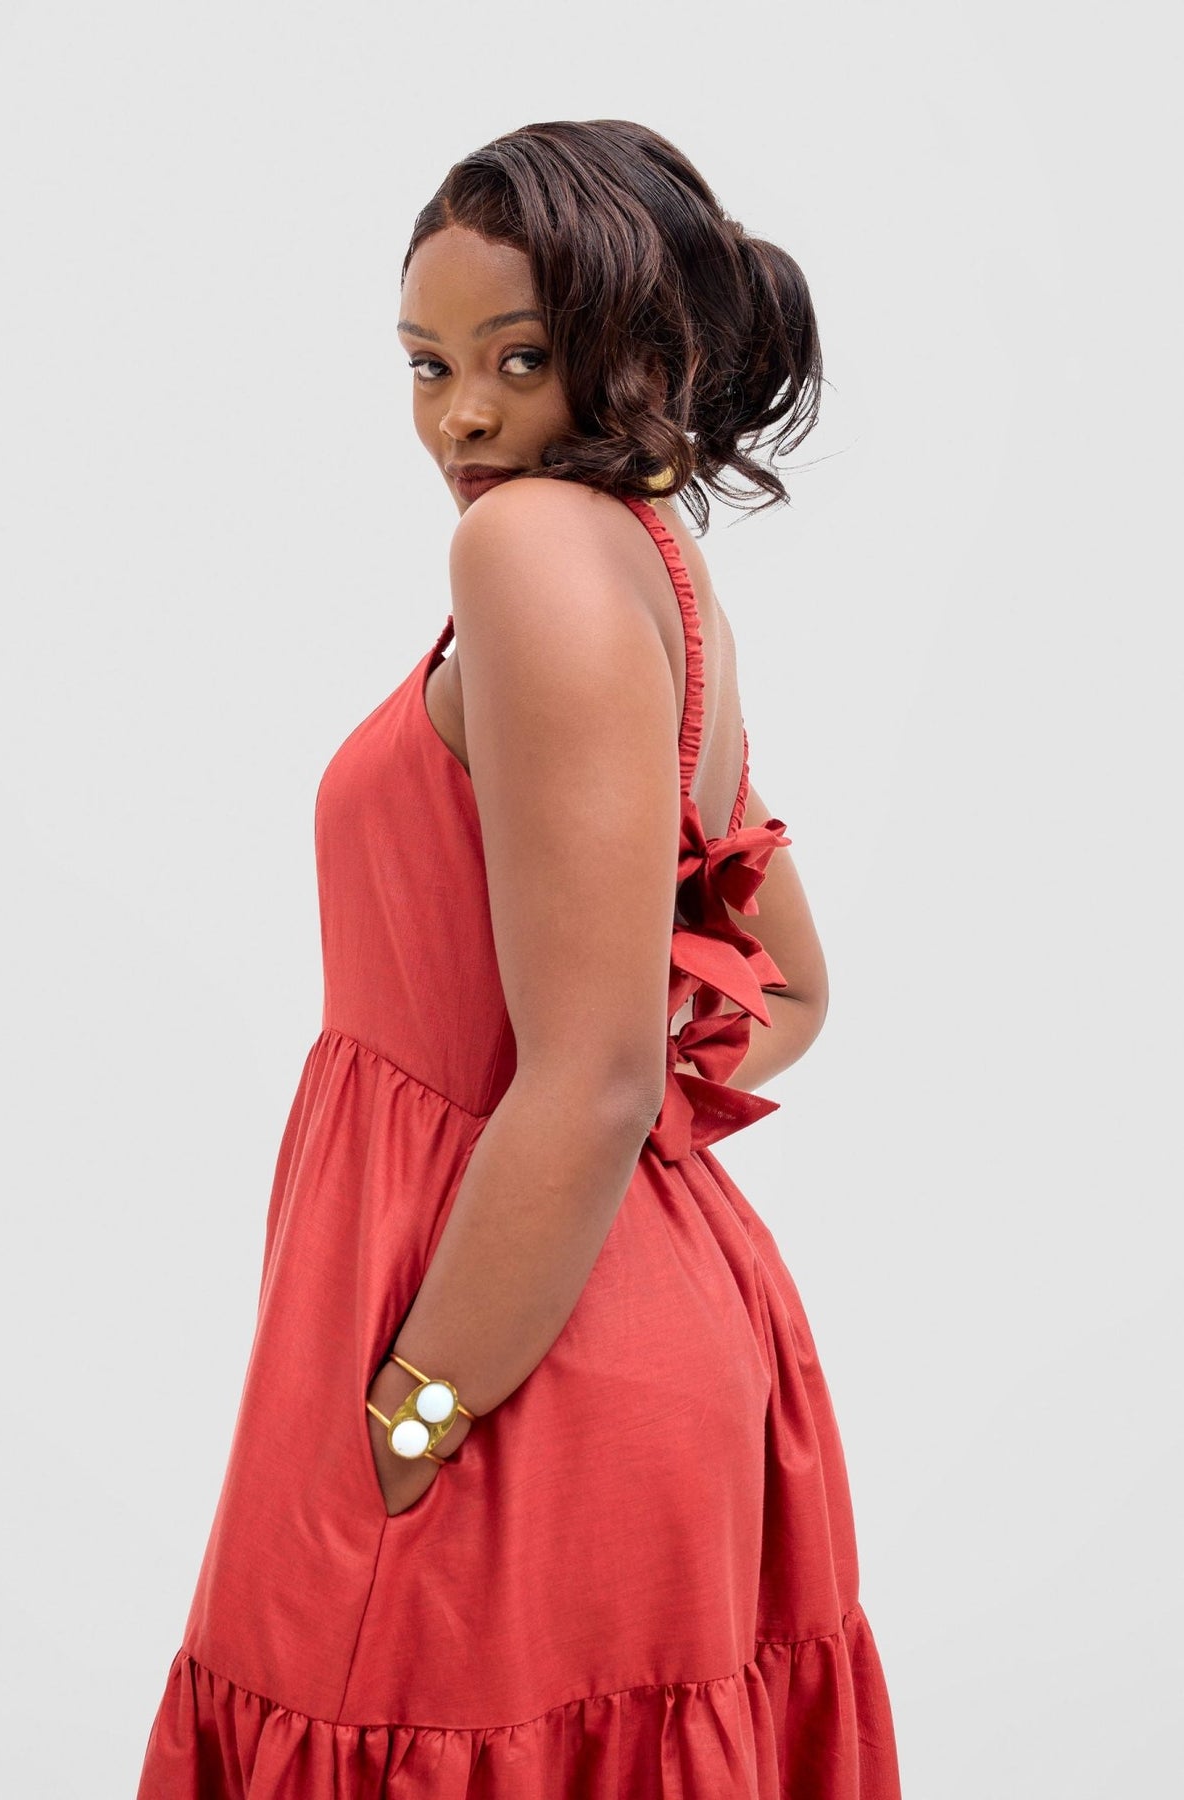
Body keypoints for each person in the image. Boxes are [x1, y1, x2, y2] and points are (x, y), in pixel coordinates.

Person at [136, 118, 902, 1799]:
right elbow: (785, 990)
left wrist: (412, 1415)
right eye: (426, 365)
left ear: (636, 351)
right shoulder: (656, 572)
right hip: (608, 1315)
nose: (458, 417)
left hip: (500, 1358)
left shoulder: (526, 549)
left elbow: (602, 1069)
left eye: (518, 358)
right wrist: (608, 1152)